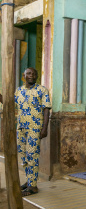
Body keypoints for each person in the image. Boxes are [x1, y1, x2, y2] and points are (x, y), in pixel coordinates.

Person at [0, 68, 51, 196]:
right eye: (29, 73)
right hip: (21, 128)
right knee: (23, 156)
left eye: (34, 73)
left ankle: (33, 186)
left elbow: (46, 110)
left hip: (35, 128)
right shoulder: (19, 91)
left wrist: (44, 128)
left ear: (37, 76)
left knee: (32, 155)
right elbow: (10, 104)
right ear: (24, 76)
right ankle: (29, 182)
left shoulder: (42, 90)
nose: (31, 75)